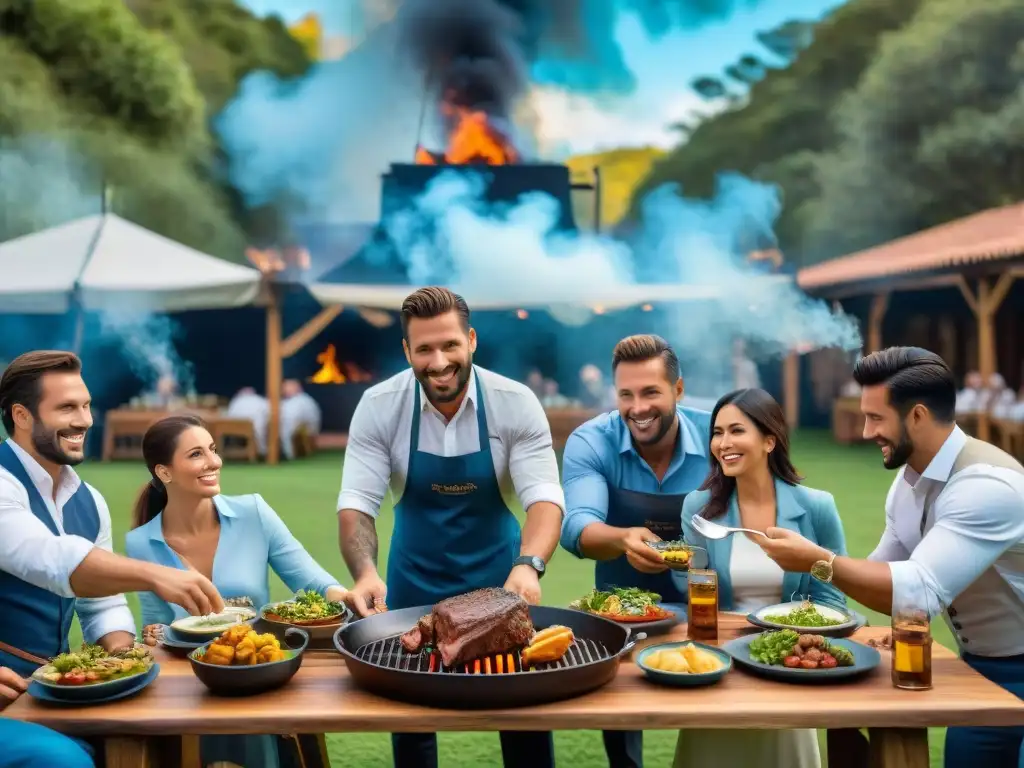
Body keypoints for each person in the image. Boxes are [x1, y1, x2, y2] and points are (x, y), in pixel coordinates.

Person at [758, 347, 1024, 768]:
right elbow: (885, 571)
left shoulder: (986, 486)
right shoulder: (908, 480)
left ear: (916, 416)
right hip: (983, 666)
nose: (866, 432)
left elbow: (918, 592)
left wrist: (817, 560)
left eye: (876, 418)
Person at [337, 287, 565, 768]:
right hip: (412, 582)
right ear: (406, 351)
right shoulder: (379, 406)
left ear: (472, 341)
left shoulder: (514, 402)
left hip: (501, 581)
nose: (438, 362)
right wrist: (364, 572)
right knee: (412, 721)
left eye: (449, 346)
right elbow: (358, 504)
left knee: (521, 713)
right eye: (424, 349)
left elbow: (543, 497)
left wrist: (529, 565)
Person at [125, 414, 347, 768]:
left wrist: (350, 599)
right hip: (193, 681)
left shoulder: (253, 513)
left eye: (212, 450)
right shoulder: (140, 543)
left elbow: (314, 584)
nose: (214, 461)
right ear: (164, 472)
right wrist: (152, 636)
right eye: (196, 454)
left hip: (257, 671)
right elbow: (156, 626)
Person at [0, 350, 225, 678]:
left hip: (53, 684)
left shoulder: (89, 500)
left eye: (86, 405)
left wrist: (123, 655)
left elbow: (102, 604)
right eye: (67, 408)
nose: (85, 420)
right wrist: (157, 575)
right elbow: (49, 558)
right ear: (22, 416)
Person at [673, 387, 848, 768]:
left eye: (737, 431)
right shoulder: (698, 509)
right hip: (718, 665)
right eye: (717, 433)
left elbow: (833, 600)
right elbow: (694, 594)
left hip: (785, 664)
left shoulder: (816, 507)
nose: (723, 443)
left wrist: (787, 640)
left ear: (770, 440)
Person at [559, 334, 711, 768]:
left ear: (678, 390)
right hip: (620, 603)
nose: (637, 408)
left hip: (706, 593)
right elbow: (577, 526)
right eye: (626, 395)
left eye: (650, 393)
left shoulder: (716, 435)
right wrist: (623, 538)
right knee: (622, 725)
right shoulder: (591, 441)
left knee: (717, 705)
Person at [280, 379, 321, 460]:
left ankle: (287, 454)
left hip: (305, 428)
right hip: (305, 428)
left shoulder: (301, 400)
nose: (284, 389)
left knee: (281, 429)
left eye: (287, 386)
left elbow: (290, 418)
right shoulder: (296, 399)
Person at [225, 386, 270, 457]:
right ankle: (262, 453)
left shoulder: (236, 400)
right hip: (255, 428)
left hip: (237, 428)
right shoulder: (259, 400)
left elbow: (229, 415)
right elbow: (268, 412)